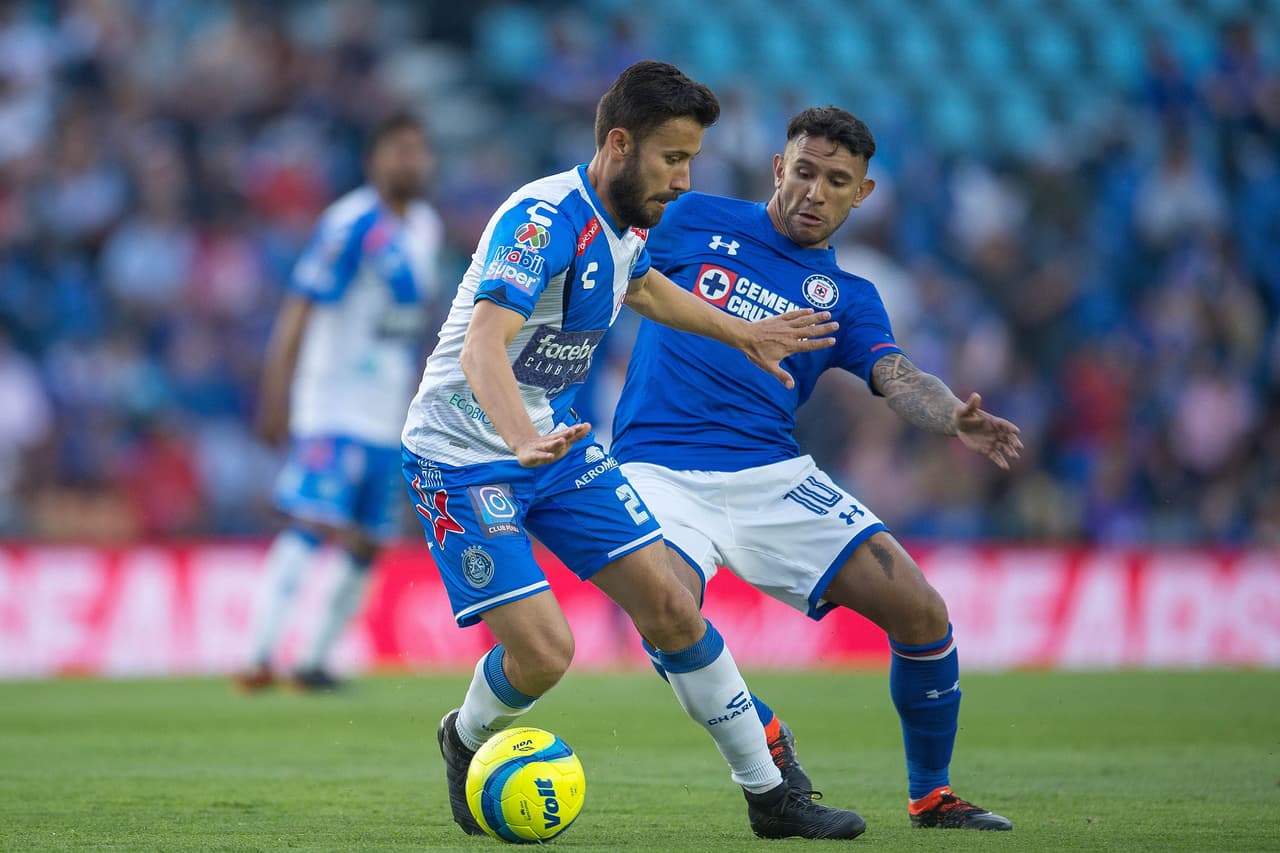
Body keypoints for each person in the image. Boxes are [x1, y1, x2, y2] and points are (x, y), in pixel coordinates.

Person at [401, 62, 865, 840]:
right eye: (673, 158)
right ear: (620, 143)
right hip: (463, 457)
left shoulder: (628, 225)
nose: (685, 180)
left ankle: (770, 793)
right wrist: (522, 438)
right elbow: (483, 347)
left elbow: (643, 287)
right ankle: (464, 735)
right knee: (546, 655)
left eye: (691, 160)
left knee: (672, 605)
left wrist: (744, 333)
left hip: (557, 443)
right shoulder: (541, 221)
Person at [610, 106, 1021, 831]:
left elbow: (896, 374)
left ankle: (932, 795)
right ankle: (762, 737)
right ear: (779, 168)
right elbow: (614, 259)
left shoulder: (851, 297)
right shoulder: (693, 217)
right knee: (665, 610)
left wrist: (952, 413)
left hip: (772, 476)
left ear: (861, 194)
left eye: (836, 181)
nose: (815, 192)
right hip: (658, 467)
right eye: (804, 172)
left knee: (922, 610)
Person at [234, 113, 443, 692]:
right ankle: (258, 655)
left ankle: (314, 662)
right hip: (333, 403)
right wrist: (276, 393)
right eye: (399, 150)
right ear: (373, 159)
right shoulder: (351, 225)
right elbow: (300, 305)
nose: (412, 162)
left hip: (388, 411)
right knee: (314, 520)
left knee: (370, 539)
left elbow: (412, 325)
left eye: (419, 151)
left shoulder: (424, 227)